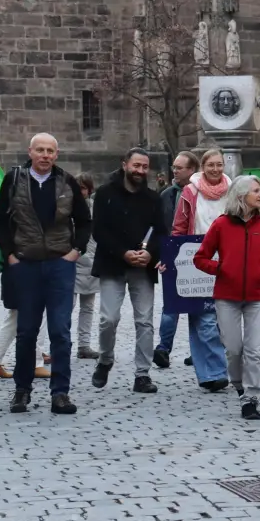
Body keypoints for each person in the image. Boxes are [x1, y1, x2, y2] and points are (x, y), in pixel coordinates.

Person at [0, 132, 93, 415]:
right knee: (26, 331)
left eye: (50, 150)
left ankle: (60, 392)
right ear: (30, 152)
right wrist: (10, 255)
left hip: (59, 264)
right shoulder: (14, 180)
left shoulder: (66, 182)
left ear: (57, 154)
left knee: (60, 332)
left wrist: (76, 251)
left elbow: (84, 220)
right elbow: (1, 219)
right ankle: (22, 390)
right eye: (40, 150)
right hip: (25, 264)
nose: (45, 155)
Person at [196, 175, 260, 419]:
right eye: (255, 191)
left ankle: (251, 398)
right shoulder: (221, 225)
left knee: (254, 350)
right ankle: (238, 383)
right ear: (241, 195)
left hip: (257, 296)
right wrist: (220, 269)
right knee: (234, 349)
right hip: (227, 296)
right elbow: (200, 258)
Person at [90, 148, 163, 395]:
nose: (140, 171)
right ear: (124, 165)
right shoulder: (105, 194)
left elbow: (162, 232)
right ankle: (105, 359)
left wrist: (151, 253)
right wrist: (123, 253)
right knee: (108, 319)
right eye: (136, 166)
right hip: (113, 264)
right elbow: (99, 231)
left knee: (144, 321)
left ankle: (142, 374)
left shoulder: (154, 199)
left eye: (144, 167)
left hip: (143, 267)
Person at [172, 147, 235, 391]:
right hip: (197, 257)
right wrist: (174, 254)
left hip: (227, 258)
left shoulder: (233, 190)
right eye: (211, 165)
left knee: (220, 317)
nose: (216, 169)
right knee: (202, 317)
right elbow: (179, 227)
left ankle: (207, 374)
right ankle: (217, 371)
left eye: (219, 164)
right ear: (203, 167)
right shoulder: (190, 191)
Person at [153, 150, 199, 369]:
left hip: (199, 254)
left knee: (200, 307)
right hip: (173, 252)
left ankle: (198, 351)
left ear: (192, 170)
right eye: (174, 167)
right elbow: (160, 226)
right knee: (171, 304)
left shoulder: (202, 192)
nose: (175, 171)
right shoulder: (166, 194)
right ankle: (163, 348)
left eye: (179, 168)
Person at [74, 173, 101, 359]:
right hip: (73, 261)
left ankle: (84, 344)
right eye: (78, 187)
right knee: (66, 307)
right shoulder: (67, 208)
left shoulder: (96, 209)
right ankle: (58, 344)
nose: (81, 191)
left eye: (83, 188)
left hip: (91, 261)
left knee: (88, 307)